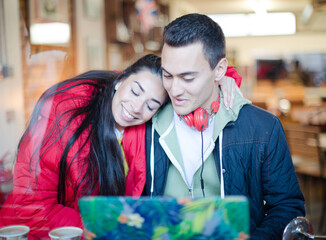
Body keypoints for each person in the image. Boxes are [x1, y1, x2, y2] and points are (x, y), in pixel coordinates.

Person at [0, 53, 242, 239]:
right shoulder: (64, 116)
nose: (137, 107)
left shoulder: (142, 124)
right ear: (120, 80)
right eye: (136, 92)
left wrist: (224, 78)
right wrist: (104, 227)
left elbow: (193, 67)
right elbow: (31, 206)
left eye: (151, 105)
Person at [141, 14, 305, 239]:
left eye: (188, 78)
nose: (175, 89)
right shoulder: (145, 122)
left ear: (220, 70)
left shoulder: (264, 128)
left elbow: (287, 207)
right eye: (167, 75)